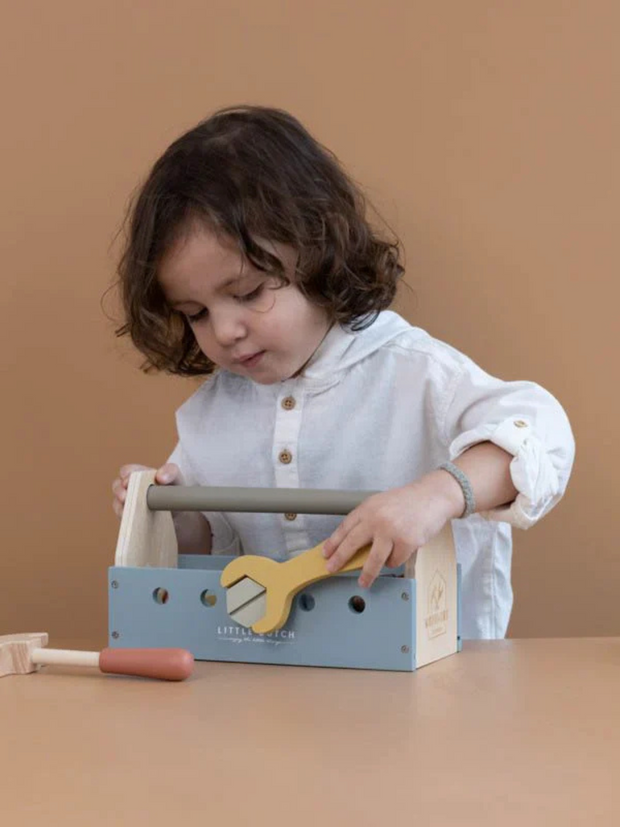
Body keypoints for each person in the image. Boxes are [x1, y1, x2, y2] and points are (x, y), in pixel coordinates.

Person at [111, 105, 575, 639]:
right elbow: (203, 546)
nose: (225, 330)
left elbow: (540, 434)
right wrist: (159, 510)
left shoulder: (415, 374)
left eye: (246, 294)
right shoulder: (212, 414)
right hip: (282, 686)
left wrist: (436, 495)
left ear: (316, 249)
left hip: (436, 680)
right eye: (196, 314)